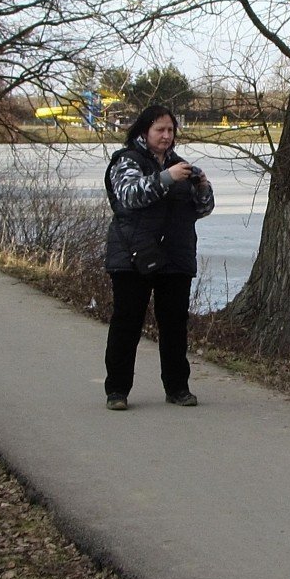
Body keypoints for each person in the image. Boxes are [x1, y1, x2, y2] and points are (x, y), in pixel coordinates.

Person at [102, 103, 214, 410]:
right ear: (144, 131)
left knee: (175, 325)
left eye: (170, 130)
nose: (166, 136)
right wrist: (167, 178)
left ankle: (178, 388)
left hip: (175, 256)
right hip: (132, 255)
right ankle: (117, 390)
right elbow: (129, 195)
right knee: (127, 323)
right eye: (159, 130)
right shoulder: (127, 161)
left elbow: (202, 210)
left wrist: (202, 187)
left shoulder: (180, 165)